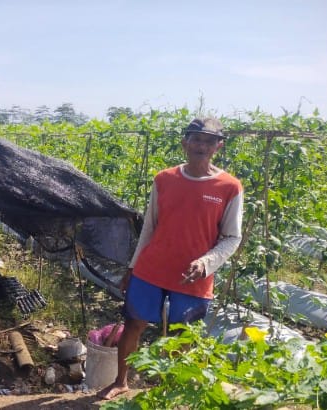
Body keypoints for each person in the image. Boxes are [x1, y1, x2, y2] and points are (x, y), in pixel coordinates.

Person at [98, 117, 243, 400]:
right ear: (184, 142)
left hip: (194, 276)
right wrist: (132, 266)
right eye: (196, 139)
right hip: (152, 269)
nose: (201, 145)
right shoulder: (164, 179)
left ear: (218, 146)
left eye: (208, 141)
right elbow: (149, 227)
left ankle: (169, 391)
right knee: (134, 324)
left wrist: (206, 263)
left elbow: (232, 237)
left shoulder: (229, 187)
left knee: (181, 335)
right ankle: (121, 381)